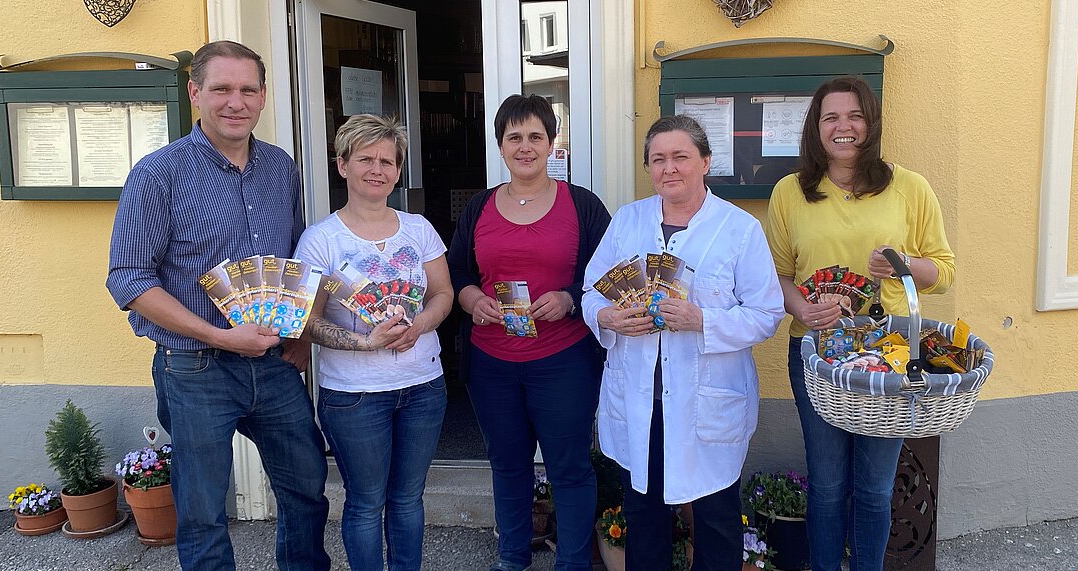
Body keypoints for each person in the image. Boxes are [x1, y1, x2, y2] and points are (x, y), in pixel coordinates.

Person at [106, 40, 330, 570]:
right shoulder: (158, 172)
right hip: (195, 367)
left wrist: (299, 335)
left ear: (263, 96)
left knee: (307, 490)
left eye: (248, 89)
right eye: (222, 88)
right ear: (195, 93)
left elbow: (294, 260)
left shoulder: (280, 167)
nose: (236, 101)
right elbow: (128, 279)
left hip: (274, 365)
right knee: (204, 510)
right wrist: (221, 336)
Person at [763, 75, 956, 571]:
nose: (843, 127)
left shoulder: (910, 187)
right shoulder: (791, 192)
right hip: (816, 354)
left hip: (887, 357)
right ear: (816, 127)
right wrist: (801, 310)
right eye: (831, 117)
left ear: (870, 124)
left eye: (854, 116)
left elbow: (944, 269)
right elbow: (780, 275)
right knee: (826, 485)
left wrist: (904, 264)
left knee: (873, 487)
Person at [582, 114, 784, 570]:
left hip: (704, 404)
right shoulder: (629, 221)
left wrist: (702, 320)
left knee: (715, 521)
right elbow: (591, 292)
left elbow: (766, 314)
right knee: (644, 518)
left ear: (705, 162)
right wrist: (610, 316)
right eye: (658, 159)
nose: (668, 168)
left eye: (680, 157)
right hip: (639, 402)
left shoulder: (739, 229)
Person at [447, 94, 611, 571]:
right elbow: (456, 275)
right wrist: (472, 299)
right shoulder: (478, 208)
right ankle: (513, 559)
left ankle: (573, 563)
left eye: (534, 136)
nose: (524, 146)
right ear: (500, 145)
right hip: (492, 363)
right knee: (509, 466)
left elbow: (607, 275)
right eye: (513, 137)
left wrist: (569, 298)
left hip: (564, 361)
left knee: (570, 469)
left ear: (551, 143)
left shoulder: (581, 205)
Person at [293, 114, 452, 570]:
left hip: (423, 385)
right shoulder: (320, 240)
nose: (376, 169)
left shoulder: (418, 228)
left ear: (399, 171)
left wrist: (420, 324)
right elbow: (309, 321)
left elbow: (444, 293)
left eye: (387, 161)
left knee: (407, 499)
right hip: (355, 395)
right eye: (365, 158)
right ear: (342, 165)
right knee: (365, 503)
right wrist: (367, 343)